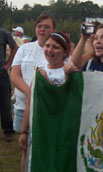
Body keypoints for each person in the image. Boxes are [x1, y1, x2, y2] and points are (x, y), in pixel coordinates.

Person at [18, 32, 70, 172]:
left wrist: (47, 83)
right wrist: (24, 131)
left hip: (59, 131)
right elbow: (30, 102)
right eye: (47, 46)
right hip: (38, 128)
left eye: (55, 47)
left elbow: (63, 103)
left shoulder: (69, 74)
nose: (50, 50)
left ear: (65, 52)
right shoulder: (39, 72)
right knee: (32, 158)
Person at [11, 13, 56, 172]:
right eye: (39, 26)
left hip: (46, 110)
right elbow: (15, 74)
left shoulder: (56, 50)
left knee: (44, 147)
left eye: (47, 26)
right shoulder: (25, 48)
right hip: (23, 106)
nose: (42, 29)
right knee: (26, 148)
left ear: (53, 29)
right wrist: (30, 92)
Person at [0, 27, 17, 141]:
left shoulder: (3, 32)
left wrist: (9, 62)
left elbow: (15, 46)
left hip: (1, 72)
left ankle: (8, 130)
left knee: (5, 102)